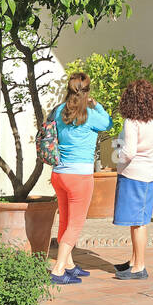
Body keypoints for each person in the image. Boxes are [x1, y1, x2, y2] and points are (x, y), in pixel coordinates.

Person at [49, 72, 111, 284]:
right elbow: (108, 123)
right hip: (79, 177)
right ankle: (58, 270)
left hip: (59, 174)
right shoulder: (90, 114)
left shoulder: (58, 111)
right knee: (75, 225)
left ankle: (69, 264)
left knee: (65, 220)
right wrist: (97, 105)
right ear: (87, 91)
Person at [110, 78, 153, 280]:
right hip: (152, 175)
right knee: (138, 221)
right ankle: (134, 260)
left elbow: (128, 152)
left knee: (138, 222)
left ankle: (140, 267)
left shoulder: (132, 121)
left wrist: (114, 156)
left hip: (133, 175)